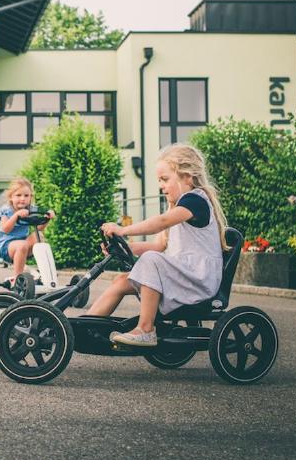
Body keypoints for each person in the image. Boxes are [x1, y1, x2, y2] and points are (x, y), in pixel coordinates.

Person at [87, 143, 229, 347]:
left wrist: (123, 230)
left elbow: (160, 223)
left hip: (198, 280)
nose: (161, 185)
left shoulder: (195, 201)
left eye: (165, 179)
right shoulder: (179, 205)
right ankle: (85, 326)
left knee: (151, 261)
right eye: (159, 180)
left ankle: (145, 329)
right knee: (120, 281)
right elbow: (159, 245)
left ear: (187, 177)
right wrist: (124, 247)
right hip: (182, 276)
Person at [0, 177, 54, 287]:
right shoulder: (6, 210)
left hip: (23, 246)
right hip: (6, 247)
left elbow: (39, 228)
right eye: (18, 195)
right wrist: (16, 215)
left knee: (39, 236)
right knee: (22, 245)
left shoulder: (30, 209)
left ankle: (44, 272)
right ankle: (18, 279)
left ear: (30, 197)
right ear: (11, 197)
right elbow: (5, 229)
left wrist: (47, 218)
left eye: (26, 196)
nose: (22, 199)